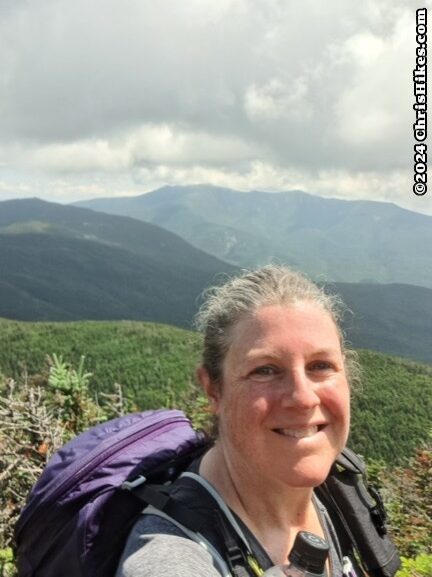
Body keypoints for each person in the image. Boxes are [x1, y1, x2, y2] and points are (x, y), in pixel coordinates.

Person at [115, 264, 362, 577]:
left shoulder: (344, 494)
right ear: (213, 389)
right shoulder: (172, 558)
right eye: (265, 370)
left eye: (321, 365)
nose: (303, 397)